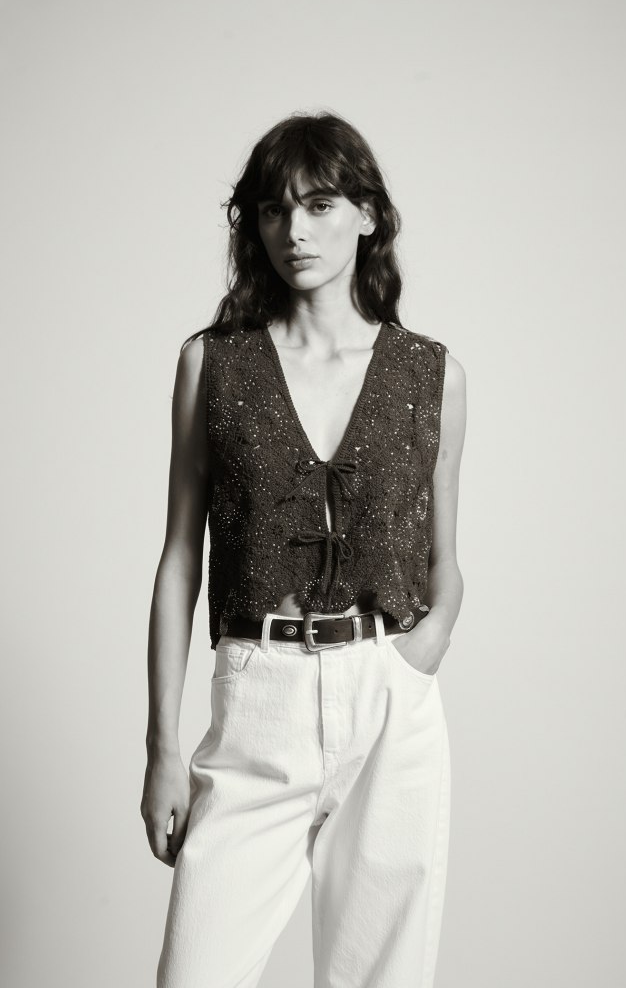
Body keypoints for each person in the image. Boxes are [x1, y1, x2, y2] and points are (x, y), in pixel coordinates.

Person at [142, 110, 467, 988]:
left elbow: (444, 556)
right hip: (260, 697)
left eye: (320, 205)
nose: (295, 231)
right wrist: (163, 748)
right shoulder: (212, 364)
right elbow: (179, 560)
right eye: (274, 209)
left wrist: (425, 646)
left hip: (389, 699)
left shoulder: (432, 373)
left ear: (367, 215)